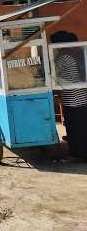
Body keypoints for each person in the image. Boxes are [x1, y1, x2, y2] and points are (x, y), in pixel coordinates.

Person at [51, 31, 87, 159]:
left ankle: (78, 153)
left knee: (75, 128)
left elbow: (52, 74)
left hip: (73, 100)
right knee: (79, 127)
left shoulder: (64, 58)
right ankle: (79, 152)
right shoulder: (72, 55)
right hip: (78, 98)